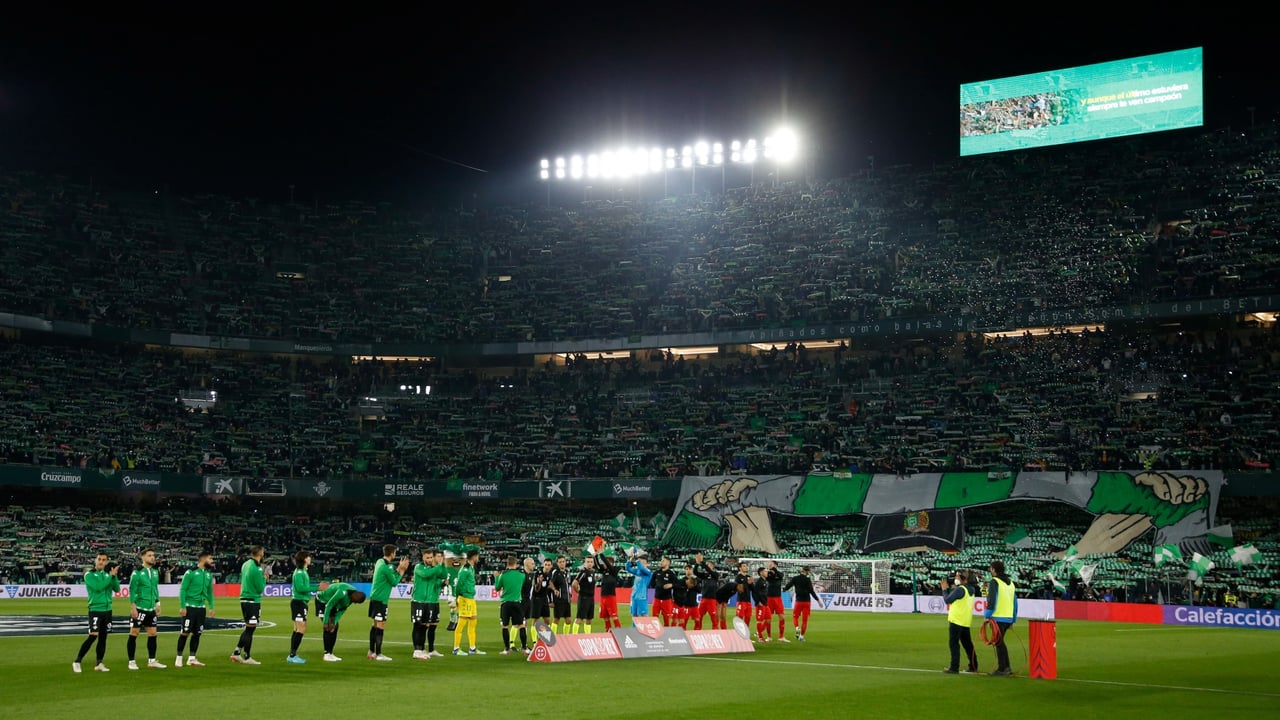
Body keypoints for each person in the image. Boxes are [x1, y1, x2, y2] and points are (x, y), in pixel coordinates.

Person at [73, 552, 119, 673]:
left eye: (104, 560)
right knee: (93, 635)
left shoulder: (108, 575)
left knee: (103, 638)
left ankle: (99, 663)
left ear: (106, 562)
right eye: (99, 559)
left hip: (107, 610)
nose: (101, 562)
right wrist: (110, 577)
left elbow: (117, 589)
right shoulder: (89, 575)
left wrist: (114, 576)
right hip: (95, 609)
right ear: (95, 560)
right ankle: (77, 661)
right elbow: (98, 587)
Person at [368, 544, 411, 661]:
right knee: (381, 625)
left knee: (375, 624)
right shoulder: (387, 567)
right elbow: (394, 582)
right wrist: (402, 570)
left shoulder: (379, 562)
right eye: (395, 552)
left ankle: (371, 651)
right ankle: (379, 654)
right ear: (392, 553)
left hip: (374, 597)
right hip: (381, 599)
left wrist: (398, 568)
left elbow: (390, 575)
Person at [127, 547, 166, 669]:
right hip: (140, 608)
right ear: (142, 557)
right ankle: (131, 662)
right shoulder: (137, 572)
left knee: (153, 634)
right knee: (134, 633)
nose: (152, 557)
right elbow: (132, 590)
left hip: (151, 609)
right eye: (149, 555)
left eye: (153, 555)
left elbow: (155, 588)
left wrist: (158, 604)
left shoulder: (155, 572)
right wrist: (133, 607)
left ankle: (152, 661)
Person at [175, 551, 215, 668]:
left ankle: (192, 658)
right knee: (185, 632)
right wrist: (183, 606)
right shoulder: (190, 572)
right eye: (210, 558)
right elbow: (183, 590)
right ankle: (179, 658)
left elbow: (210, 592)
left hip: (201, 608)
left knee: (197, 633)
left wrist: (211, 606)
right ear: (202, 559)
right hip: (190, 607)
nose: (212, 561)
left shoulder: (208, 574)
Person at [411, 547, 449, 660]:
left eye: (431, 557)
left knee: (425, 626)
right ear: (423, 557)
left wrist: (443, 564)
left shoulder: (434, 569)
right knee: (418, 625)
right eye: (427, 557)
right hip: (418, 600)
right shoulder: (419, 567)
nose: (429, 559)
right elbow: (426, 575)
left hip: (429, 602)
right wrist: (438, 567)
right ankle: (416, 650)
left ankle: (421, 649)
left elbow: (444, 575)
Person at [287, 551, 324, 664]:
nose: (310, 558)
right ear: (304, 559)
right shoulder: (299, 572)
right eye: (308, 557)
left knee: (297, 628)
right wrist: (317, 588)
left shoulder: (303, 571)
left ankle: (292, 654)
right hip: (298, 602)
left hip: (300, 602)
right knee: (301, 628)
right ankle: (292, 655)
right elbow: (300, 588)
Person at [231, 545, 266, 665]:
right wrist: (264, 578)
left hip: (244, 599)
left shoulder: (245, 564)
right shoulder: (257, 568)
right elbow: (260, 588)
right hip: (252, 600)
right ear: (260, 553)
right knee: (250, 629)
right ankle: (247, 657)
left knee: (248, 628)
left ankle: (237, 652)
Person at [940, 568, 980, 674]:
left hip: (956, 620)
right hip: (965, 621)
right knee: (968, 645)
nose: (956, 578)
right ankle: (973, 666)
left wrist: (944, 590)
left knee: (954, 644)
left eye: (957, 576)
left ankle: (954, 667)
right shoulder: (971, 589)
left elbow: (947, 600)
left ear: (964, 579)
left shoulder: (960, 589)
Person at [983, 560, 1018, 676]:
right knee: (1000, 642)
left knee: (998, 642)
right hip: (1008, 617)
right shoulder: (1011, 583)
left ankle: (1002, 668)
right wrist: (1013, 619)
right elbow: (1015, 602)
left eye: (991, 568)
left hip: (998, 618)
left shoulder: (994, 582)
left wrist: (987, 616)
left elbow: (991, 600)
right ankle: (1006, 667)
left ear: (994, 570)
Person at [317, 582, 367, 662]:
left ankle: (330, 653)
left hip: (333, 603)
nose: (354, 603)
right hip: (322, 600)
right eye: (355, 601)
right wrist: (325, 622)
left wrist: (335, 622)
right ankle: (326, 654)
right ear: (355, 595)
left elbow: (342, 610)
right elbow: (329, 605)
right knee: (328, 627)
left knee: (334, 627)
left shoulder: (351, 599)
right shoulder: (342, 592)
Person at [451, 547, 485, 655]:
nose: (478, 558)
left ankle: (472, 648)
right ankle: (456, 648)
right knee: (461, 624)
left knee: (473, 622)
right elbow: (458, 585)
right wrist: (456, 598)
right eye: (477, 556)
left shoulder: (471, 568)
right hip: (465, 598)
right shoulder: (465, 569)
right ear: (474, 557)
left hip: (470, 598)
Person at [494, 555, 529, 654]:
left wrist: (496, 577)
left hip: (506, 603)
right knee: (522, 625)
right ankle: (524, 648)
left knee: (505, 626)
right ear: (516, 564)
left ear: (507, 564)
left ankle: (507, 649)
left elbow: (497, 588)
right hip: (517, 603)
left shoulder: (503, 575)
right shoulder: (521, 575)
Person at [782, 566, 817, 641]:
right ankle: (801, 636)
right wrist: (817, 600)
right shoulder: (808, 580)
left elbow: (789, 585)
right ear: (808, 572)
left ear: (802, 570)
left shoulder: (795, 578)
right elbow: (811, 591)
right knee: (805, 621)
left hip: (799, 601)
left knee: (795, 617)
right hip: (807, 602)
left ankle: (797, 627)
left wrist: (784, 589)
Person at [692, 554, 720, 630]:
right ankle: (697, 630)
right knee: (699, 616)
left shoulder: (715, 575)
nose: (707, 566)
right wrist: (697, 564)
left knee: (713, 617)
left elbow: (709, 571)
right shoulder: (704, 575)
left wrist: (702, 562)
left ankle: (715, 630)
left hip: (712, 599)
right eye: (707, 564)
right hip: (704, 599)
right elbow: (695, 572)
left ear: (713, 566)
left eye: (709, 564)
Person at [571, 555, 597, 634]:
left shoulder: (592, 572)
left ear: (593, 563)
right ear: (585, 563)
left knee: (589, 619)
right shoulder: (582, 572)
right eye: (588, 562)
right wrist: (579, 592)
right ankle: (574, 636)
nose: (589, 563)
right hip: (583, 598)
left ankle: (587, 636)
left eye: (591, 562)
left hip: (591, 598)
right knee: (579, 618)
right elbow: (574, 584)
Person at [651, 556, 678, 626]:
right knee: (654, 619)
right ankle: (655, 631)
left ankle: (667, 632)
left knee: (666, 619)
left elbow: (678, 584)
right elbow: (652, 583)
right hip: (657, 599)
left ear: (668, 563)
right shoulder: (656, 572)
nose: (661, 562)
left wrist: (671, 585)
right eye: (661, 560)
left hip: (667, 600)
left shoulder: (671, 574)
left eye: (663, 561)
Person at [529, 558, 555, 630]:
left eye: (549, 565)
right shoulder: (538, 574)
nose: (547, 567)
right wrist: (539, 582)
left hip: (544, 598)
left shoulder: (550, 573)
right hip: (536, 599)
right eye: (545, 565)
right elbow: (536, 589)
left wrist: (554, 589)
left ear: (551, 566)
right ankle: (534, 637)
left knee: (547, 620)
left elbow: (549, 582)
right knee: (536, 620)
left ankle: (546, 635)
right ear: (543, 565)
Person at [625, 554, 653, 622]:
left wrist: (637, 560)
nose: (640, 563)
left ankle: (646, 628)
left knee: (644, 615)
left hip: (642, 597)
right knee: (634, 615)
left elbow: (641, 568)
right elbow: (627, 568)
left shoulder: (648, 572)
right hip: (634, 596)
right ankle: (634, 628)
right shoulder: (637, 571)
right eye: (640, 562)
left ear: (646, 563)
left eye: (642, 562)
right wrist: (630, 559)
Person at [765, 560, 788, 641]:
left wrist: (774, 571)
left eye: (770, 563)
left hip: (778, 597)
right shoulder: (768, 573)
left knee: (782, 616)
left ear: (775, 565)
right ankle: (769, 636)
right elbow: (769, 577)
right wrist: (772, 572)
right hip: (769, 597)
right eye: (768, 563)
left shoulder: (780, 573)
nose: (768, 564)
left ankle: (781, 637)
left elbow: (780, 576)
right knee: (768, 617)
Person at [597, 555, 621, 629]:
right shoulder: (604, 571)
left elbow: (608, 564)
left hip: (611, 597)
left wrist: (601, 554)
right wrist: (595, 556)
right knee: (605, 616)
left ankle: (619, 631)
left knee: (614, 616)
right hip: (603, 596)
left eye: (605, 563)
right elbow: (597, 565)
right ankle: (608, 631)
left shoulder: (614, 570)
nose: (604, 564)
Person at [551, 555, 573, 634]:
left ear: (565, 562)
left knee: (568, 620)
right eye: (560, 562)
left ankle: (565, 636)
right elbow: (550, 583)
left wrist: (570, 593)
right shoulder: (556, 572)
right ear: (557, 563)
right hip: (559, 599)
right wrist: (554, 590)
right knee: (556, 619)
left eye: (563, 562)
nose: (562, 563)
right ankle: (552, 636)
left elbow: (568, 584)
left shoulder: (567, 572)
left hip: (566, 599)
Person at [751, 567, 773, 641]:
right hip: (760, 604)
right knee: (759, 620)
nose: (767, 573)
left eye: (766, 571)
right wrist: (757, 602)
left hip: (765, 604)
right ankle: (760, 637)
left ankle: (763, 634)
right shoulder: (759, 582)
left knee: (768, 619)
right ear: (761, 573)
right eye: (765, 571)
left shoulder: (765, 581)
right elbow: (754, 593)